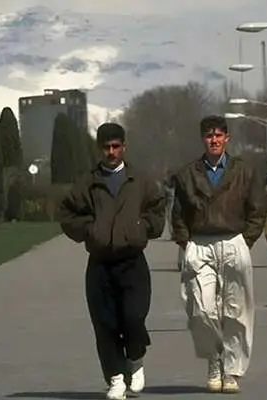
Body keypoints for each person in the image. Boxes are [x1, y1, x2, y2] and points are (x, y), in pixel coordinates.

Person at [57, 122, 165, 400]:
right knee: (105, 324)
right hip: (100, 264)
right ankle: (115, 378)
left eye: (116, 146)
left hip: (132, 261)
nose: (111, 152)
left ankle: (135, 357)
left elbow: (157, 210)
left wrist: (142, 227)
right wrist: (90, 230)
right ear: (100, 149)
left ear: (124, 147)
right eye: (106, 147)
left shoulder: (139, 180)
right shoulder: (88, 182)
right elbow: (66, 213)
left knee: (133, 317)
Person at [171, 115, 267, 393]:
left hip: (234, 241)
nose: (213, 140)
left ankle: (232, 371)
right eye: (209, 135)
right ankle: (214, 359)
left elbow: (257, 208)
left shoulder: (244, 171)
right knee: (201, 309)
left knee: (236, 311)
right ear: (203, 139)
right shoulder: (187, 174)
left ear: (227, 138)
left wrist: (246, 240)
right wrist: (186, 243)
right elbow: (178, 214)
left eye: (218, 135)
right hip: (200, 243)